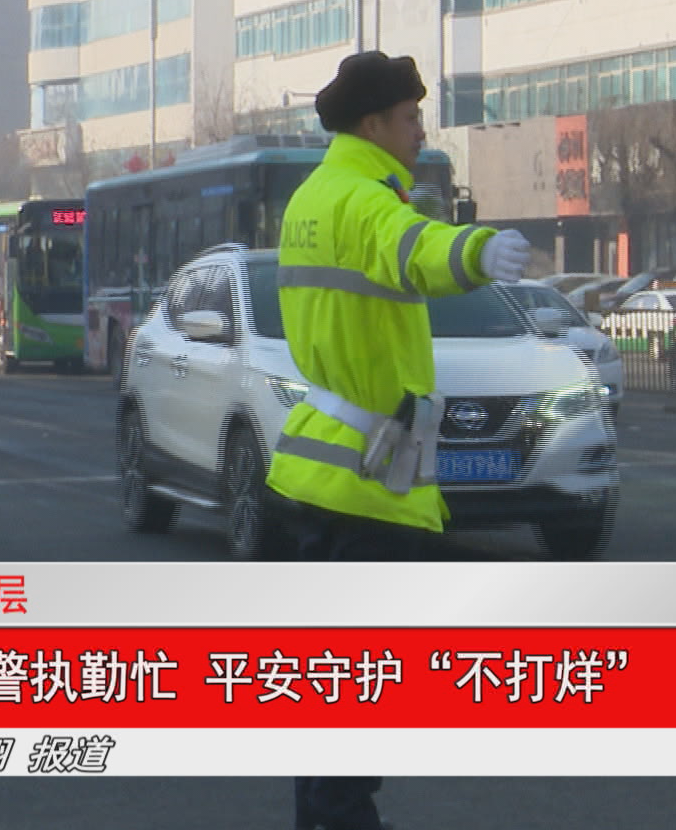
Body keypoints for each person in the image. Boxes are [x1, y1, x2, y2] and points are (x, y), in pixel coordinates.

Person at [271, 50, 530, 830]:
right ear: (373, 123)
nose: (421, 130)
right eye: (412, 117)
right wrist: (479, 252)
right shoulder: (367, 200)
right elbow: (415, 248)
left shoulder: (312, 198)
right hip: (367, 488)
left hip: (314, 469)